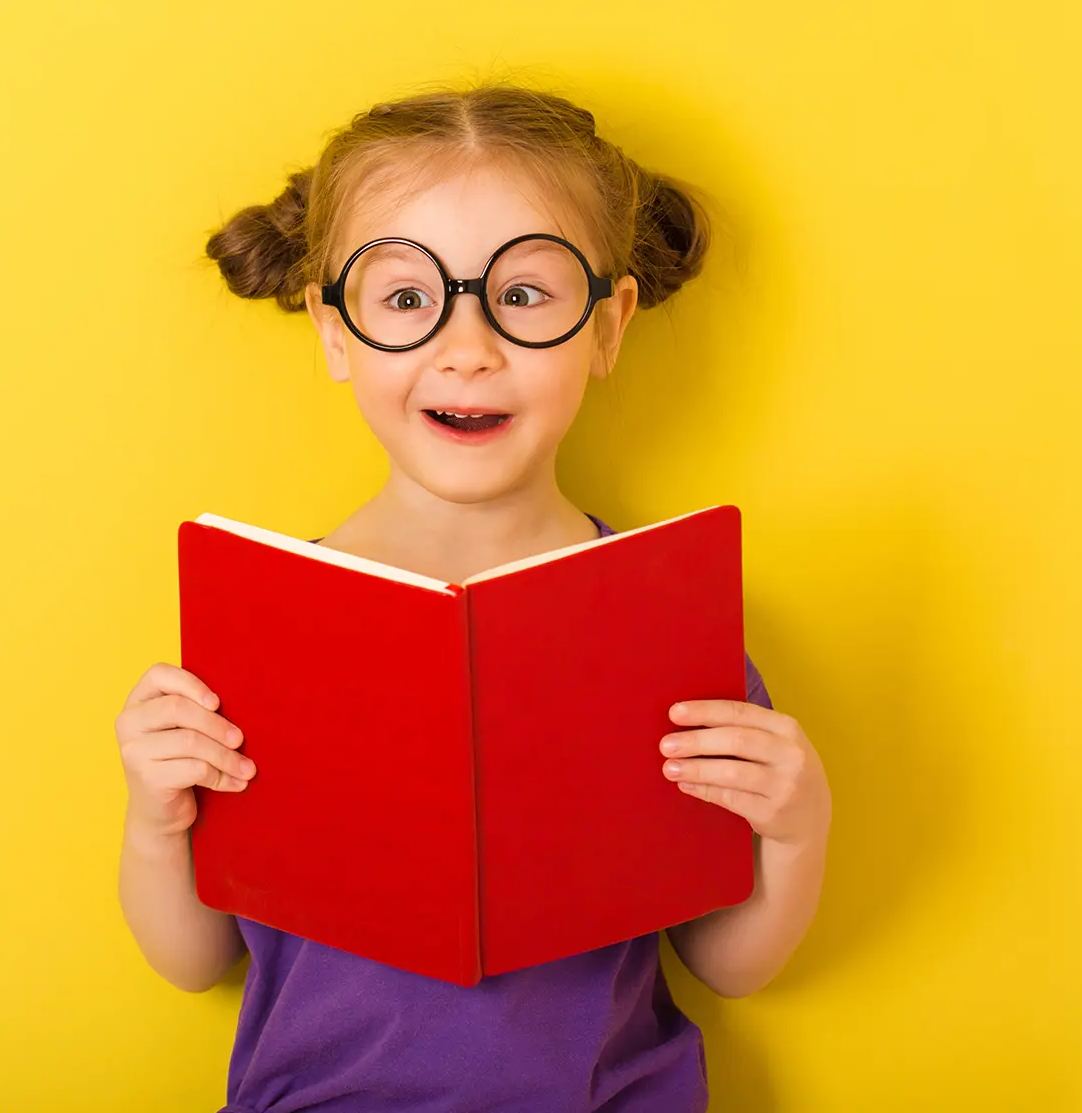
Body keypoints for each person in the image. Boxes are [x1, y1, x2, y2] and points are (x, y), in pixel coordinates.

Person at [115, 83, 832, 1112]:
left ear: (607, 324)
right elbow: (193, 958)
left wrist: (798, 827)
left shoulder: (668, 623)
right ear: (333, 329)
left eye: (525, 295)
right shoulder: (263, 622)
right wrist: (154, 815)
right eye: (406, 298)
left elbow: (727, 961)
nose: (468, 347)